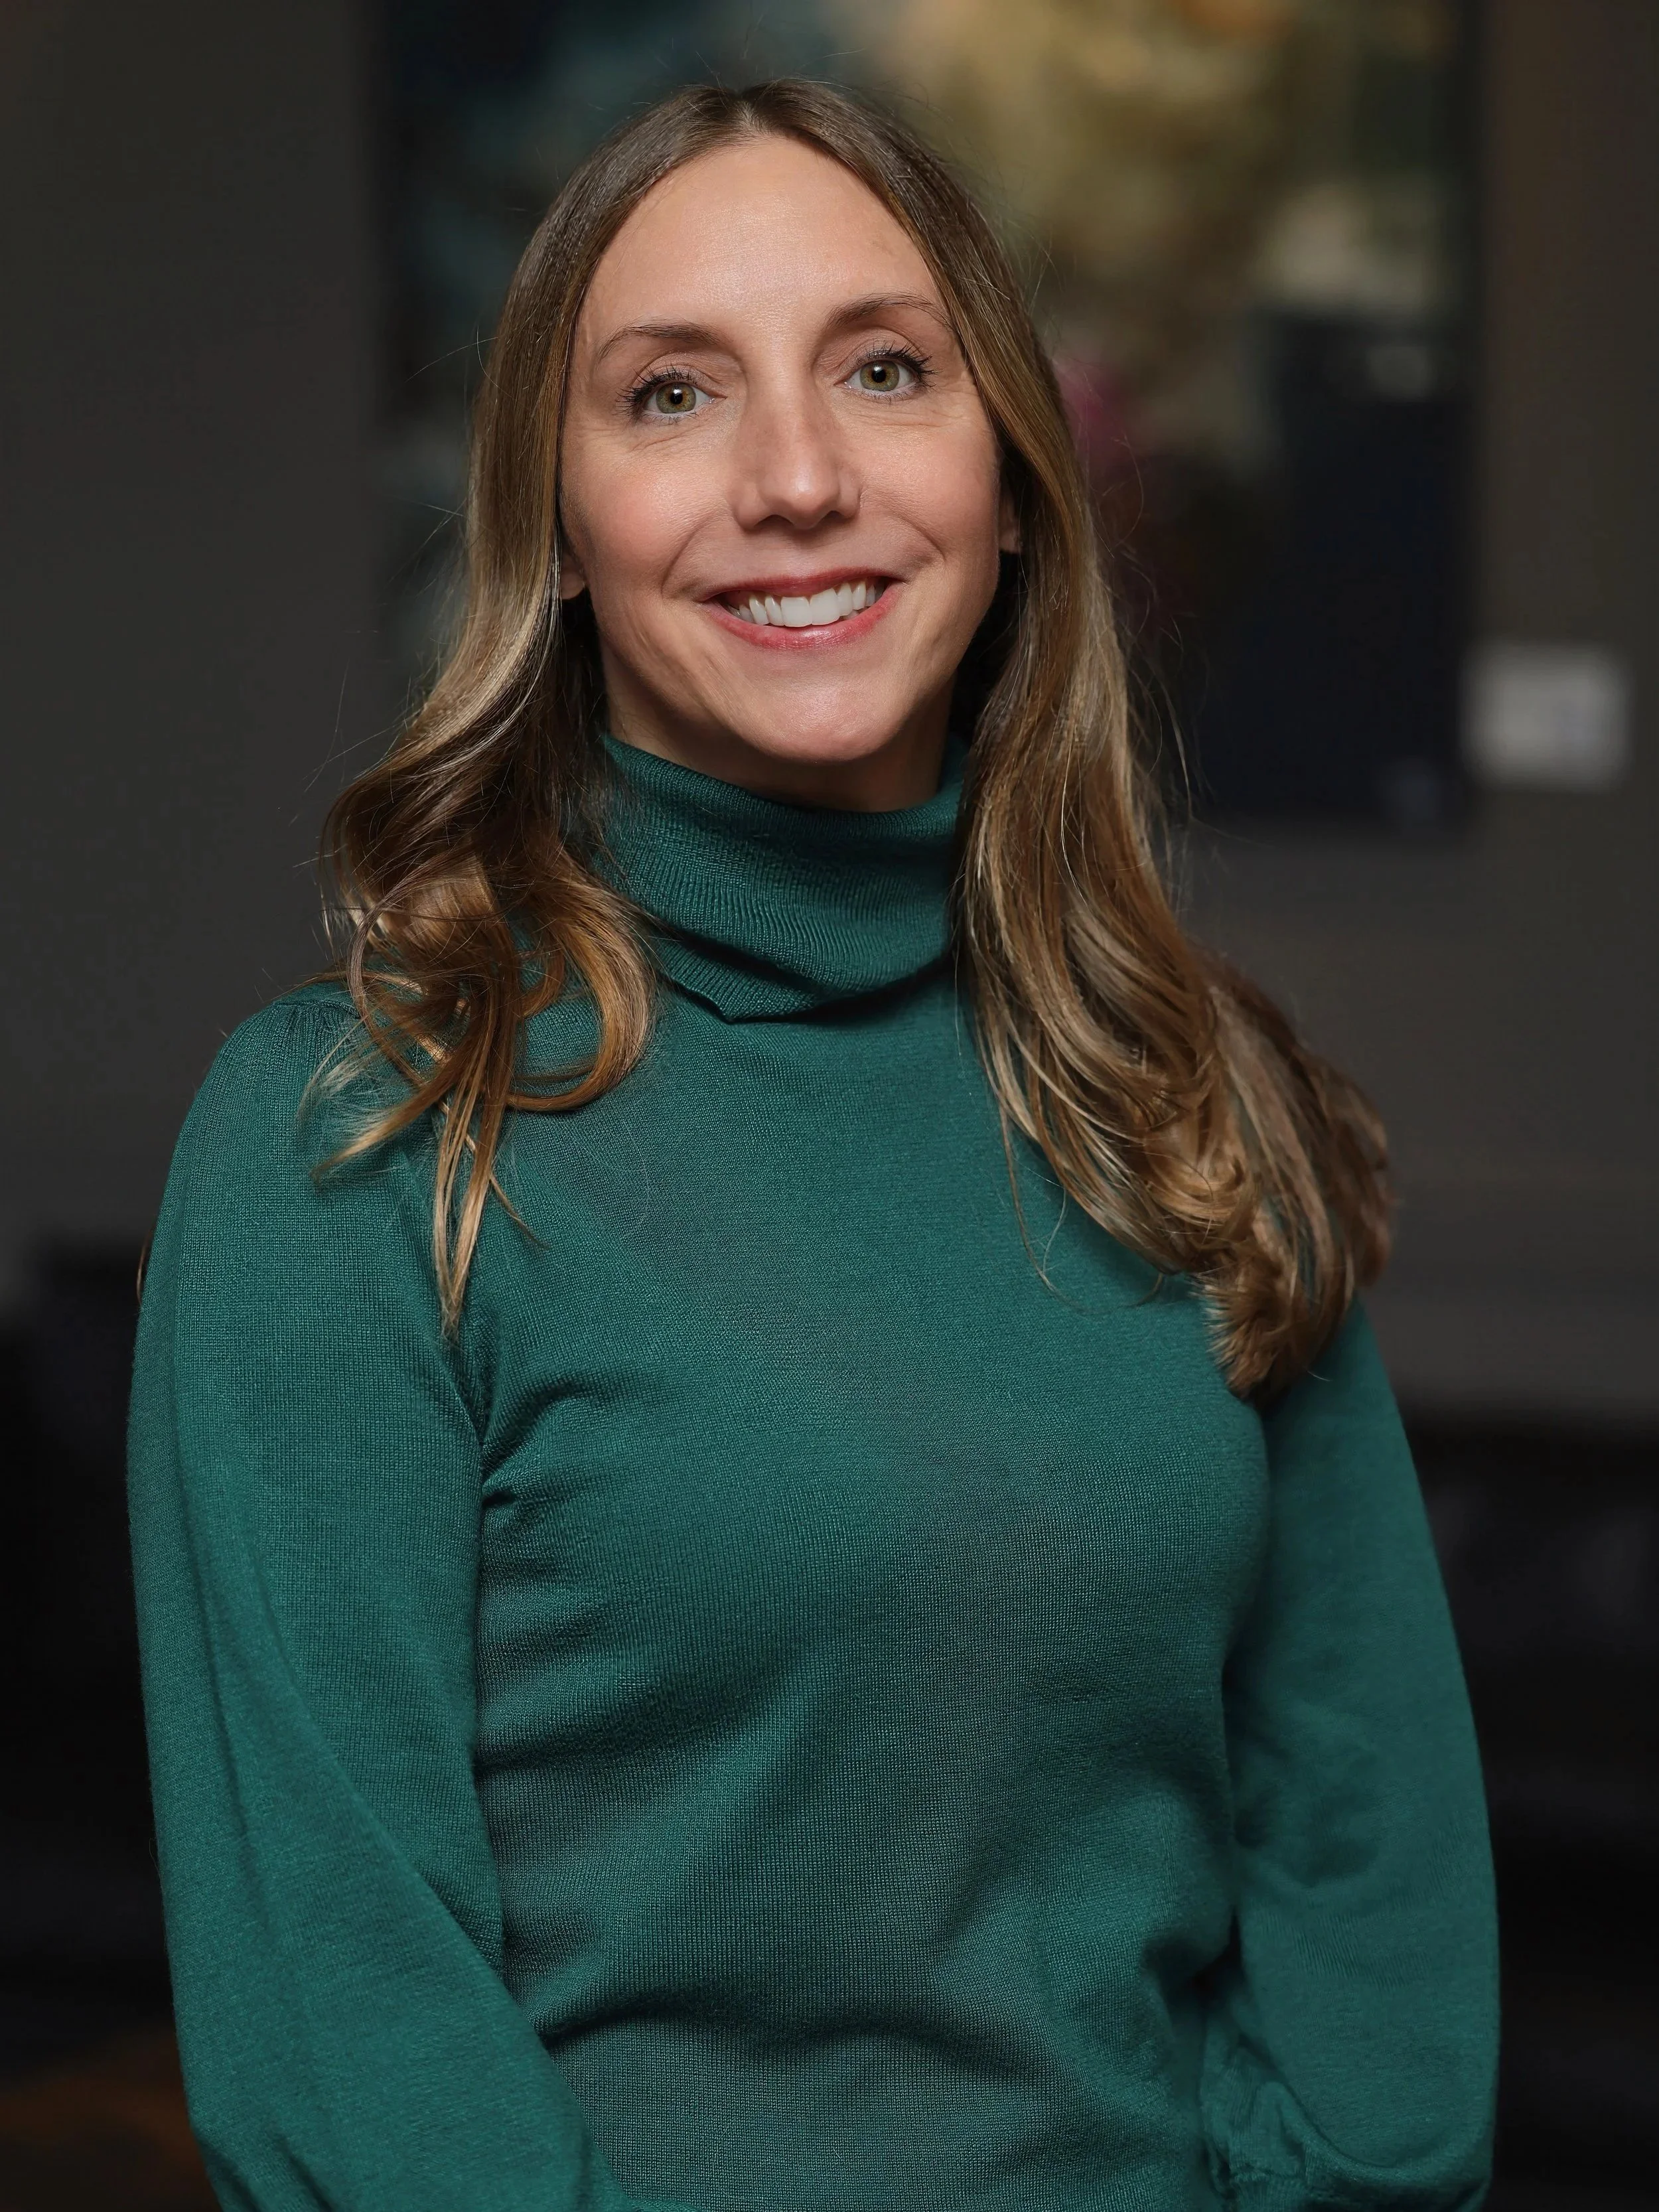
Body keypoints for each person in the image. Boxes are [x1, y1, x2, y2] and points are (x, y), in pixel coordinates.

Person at [128, 78, 1497, 2212]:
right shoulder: (360, 1137)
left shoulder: (1185, 1090)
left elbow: (1370, 1873)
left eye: (882, 369)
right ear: (555, 528)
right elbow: (350, 2027)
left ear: (1011, 480)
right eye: (671, 394)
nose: (793, 477)